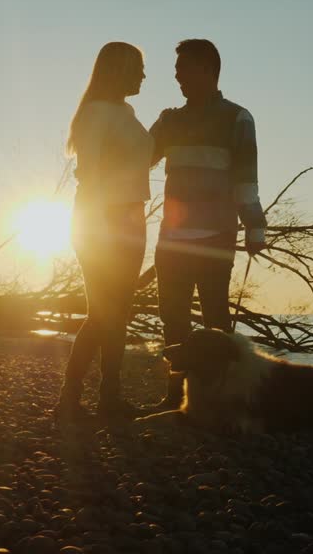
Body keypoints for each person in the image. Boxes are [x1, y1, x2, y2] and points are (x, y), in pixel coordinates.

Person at [148, 38, 267, 411]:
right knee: (173, 320)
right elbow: (138, 158)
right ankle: (176, 397)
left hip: (216, 236)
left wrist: (254, 226)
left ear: (207, 70)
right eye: (177, 70)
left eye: (184, 68)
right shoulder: (170, 120)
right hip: (171, 238)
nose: (177, 76)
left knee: (217, 322)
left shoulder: (237, 117)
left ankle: (220, 397)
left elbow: (246, 179)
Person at [55, 42, 153, 419]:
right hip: (102, 219)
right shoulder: (97, 113)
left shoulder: (125, 113)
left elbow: (141, 157)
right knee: (105, 313)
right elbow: (89, 174)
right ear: (119, 70)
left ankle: (102, 396)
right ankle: (81, 396)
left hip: (130, 217)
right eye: (138, 68)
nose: (144, 76)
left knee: (116, 312)